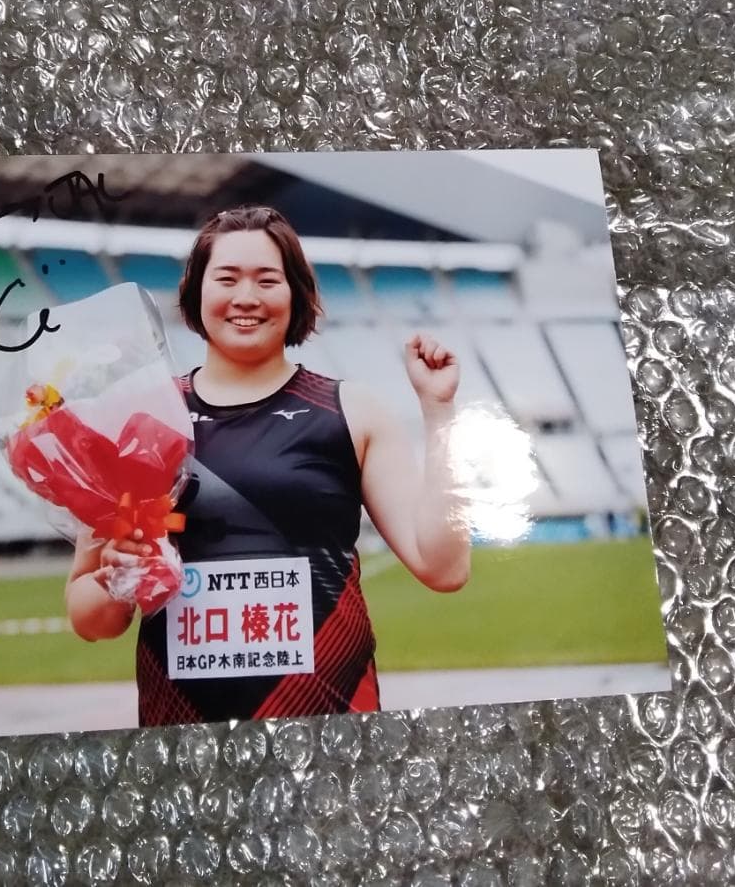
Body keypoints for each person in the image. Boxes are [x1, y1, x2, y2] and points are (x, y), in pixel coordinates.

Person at [65, 205, 471, 726]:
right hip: (185, 734)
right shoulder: (143, 421)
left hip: (329, 728)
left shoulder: (352, 411)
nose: (246, 297)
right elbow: (90, 620)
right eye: (227, 278)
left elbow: (444, 568)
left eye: (267, 280)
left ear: (295, 293)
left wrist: (439, 411)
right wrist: (118, 579)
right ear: (196, 292)